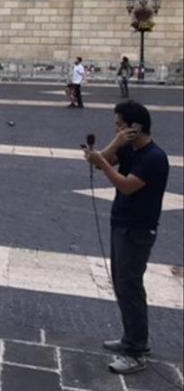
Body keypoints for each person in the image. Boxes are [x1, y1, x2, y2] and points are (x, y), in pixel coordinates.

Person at [83, 100, 169, 375]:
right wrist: (113, 145)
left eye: (120, 125)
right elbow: (103, 163)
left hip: (138, 230)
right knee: (121, 283)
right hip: (121, 224)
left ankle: (136, 351)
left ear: (135, 127)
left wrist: (103, 163)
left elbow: (126, 185)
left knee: (130, 287)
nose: (116, 128)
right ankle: (130, 339)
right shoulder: (130, 149)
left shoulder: (154, 158)